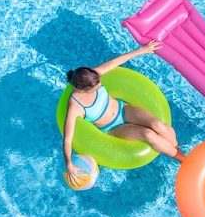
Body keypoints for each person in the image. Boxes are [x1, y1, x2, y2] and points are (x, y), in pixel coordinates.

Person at [62, 40, 185, 186]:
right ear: (84, 89)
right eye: (97, 87)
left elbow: (116, 61)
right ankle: (183, 161)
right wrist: (69, 163)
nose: (100, 85)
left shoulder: (92, 75)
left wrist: (142, 50)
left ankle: (177, 150)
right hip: (114, 128)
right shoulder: (75, 106)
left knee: (158, 125)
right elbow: (67, 140)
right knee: (148, 135)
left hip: (124, 110)